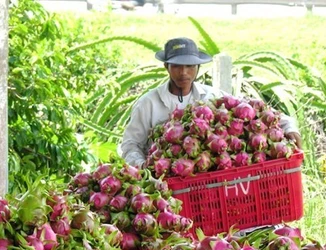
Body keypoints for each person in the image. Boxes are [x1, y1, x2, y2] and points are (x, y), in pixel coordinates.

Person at [120, 37, 302, 168]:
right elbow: (130, 144)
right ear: (166, 67)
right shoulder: (148, 104)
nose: (184, 72)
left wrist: (289, 127)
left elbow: (255, 111)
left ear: (198, 67)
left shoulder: (213, 97)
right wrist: (143, 166)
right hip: (166, 183)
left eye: (190, 66)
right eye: (176, 66)